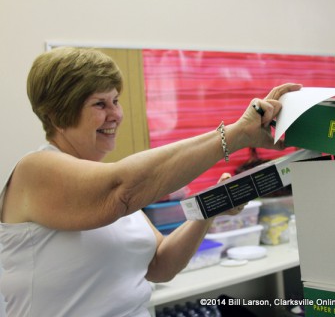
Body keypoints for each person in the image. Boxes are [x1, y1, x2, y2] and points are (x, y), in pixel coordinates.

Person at [0, 46, 302, 317]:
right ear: (56, 115)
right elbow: (121, 190)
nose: (115, 114)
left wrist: (211, 207)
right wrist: (236, 135)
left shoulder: (108, 184)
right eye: (99, 104)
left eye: (115, 101)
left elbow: (160, 265)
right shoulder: (36, 170)